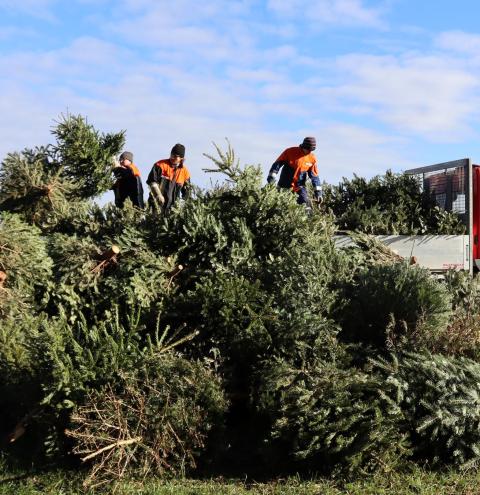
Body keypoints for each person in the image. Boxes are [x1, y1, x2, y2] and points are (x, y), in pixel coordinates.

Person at [266, 137, 322, 207]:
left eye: (311, 150)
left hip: (299, 187)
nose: (309, 151)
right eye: (308, 149)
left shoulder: (312, 158)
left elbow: (315, 177)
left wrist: (318, 193)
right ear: (303, 146)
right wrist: (271, 179)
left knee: (306, 204)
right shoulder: (290, 151)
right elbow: (277, 165)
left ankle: (309, 217)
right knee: (280, 206)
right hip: (284, 186)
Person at [147, 143, 191, 213]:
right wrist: (158, 195)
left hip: (173, 209)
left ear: (181, 158)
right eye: (172, 154)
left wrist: (181, 205)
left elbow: (187, 193)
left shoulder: (185, 172)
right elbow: (152, 182)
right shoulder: (160, 165)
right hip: (156, 205)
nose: (172, 157)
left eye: (176, 156)